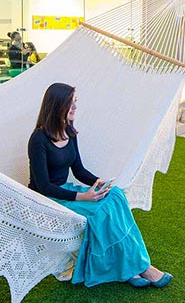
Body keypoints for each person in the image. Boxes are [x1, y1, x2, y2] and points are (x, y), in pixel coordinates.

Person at [27, 82, 172, 288]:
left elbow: (78, 170)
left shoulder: (69, 131)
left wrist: (98, 183)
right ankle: (144, 268)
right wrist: (83, 197)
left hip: (66, 191)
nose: (75, 107)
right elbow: (43, 186)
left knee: (116, 195)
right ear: (57, 105)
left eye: (75, 102)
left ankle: (130, 267)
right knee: (101, 212)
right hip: (48, 198)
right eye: (70, 103)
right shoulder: (38, 139)